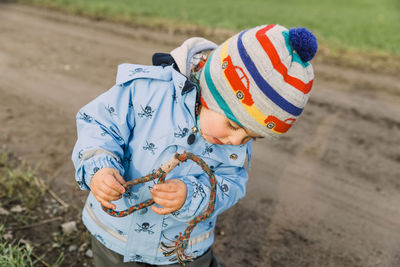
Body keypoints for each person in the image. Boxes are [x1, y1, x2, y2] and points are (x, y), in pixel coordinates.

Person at [72, 24, 317, 266]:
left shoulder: (235, 141)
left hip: (183, 248)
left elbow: (230, 186)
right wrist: (99, 168)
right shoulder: (147, 90)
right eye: (232, 126)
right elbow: (99, 125)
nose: (236, 142)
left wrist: (192, 195)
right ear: (211, 91)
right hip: (115, 237)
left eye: (251, 137)